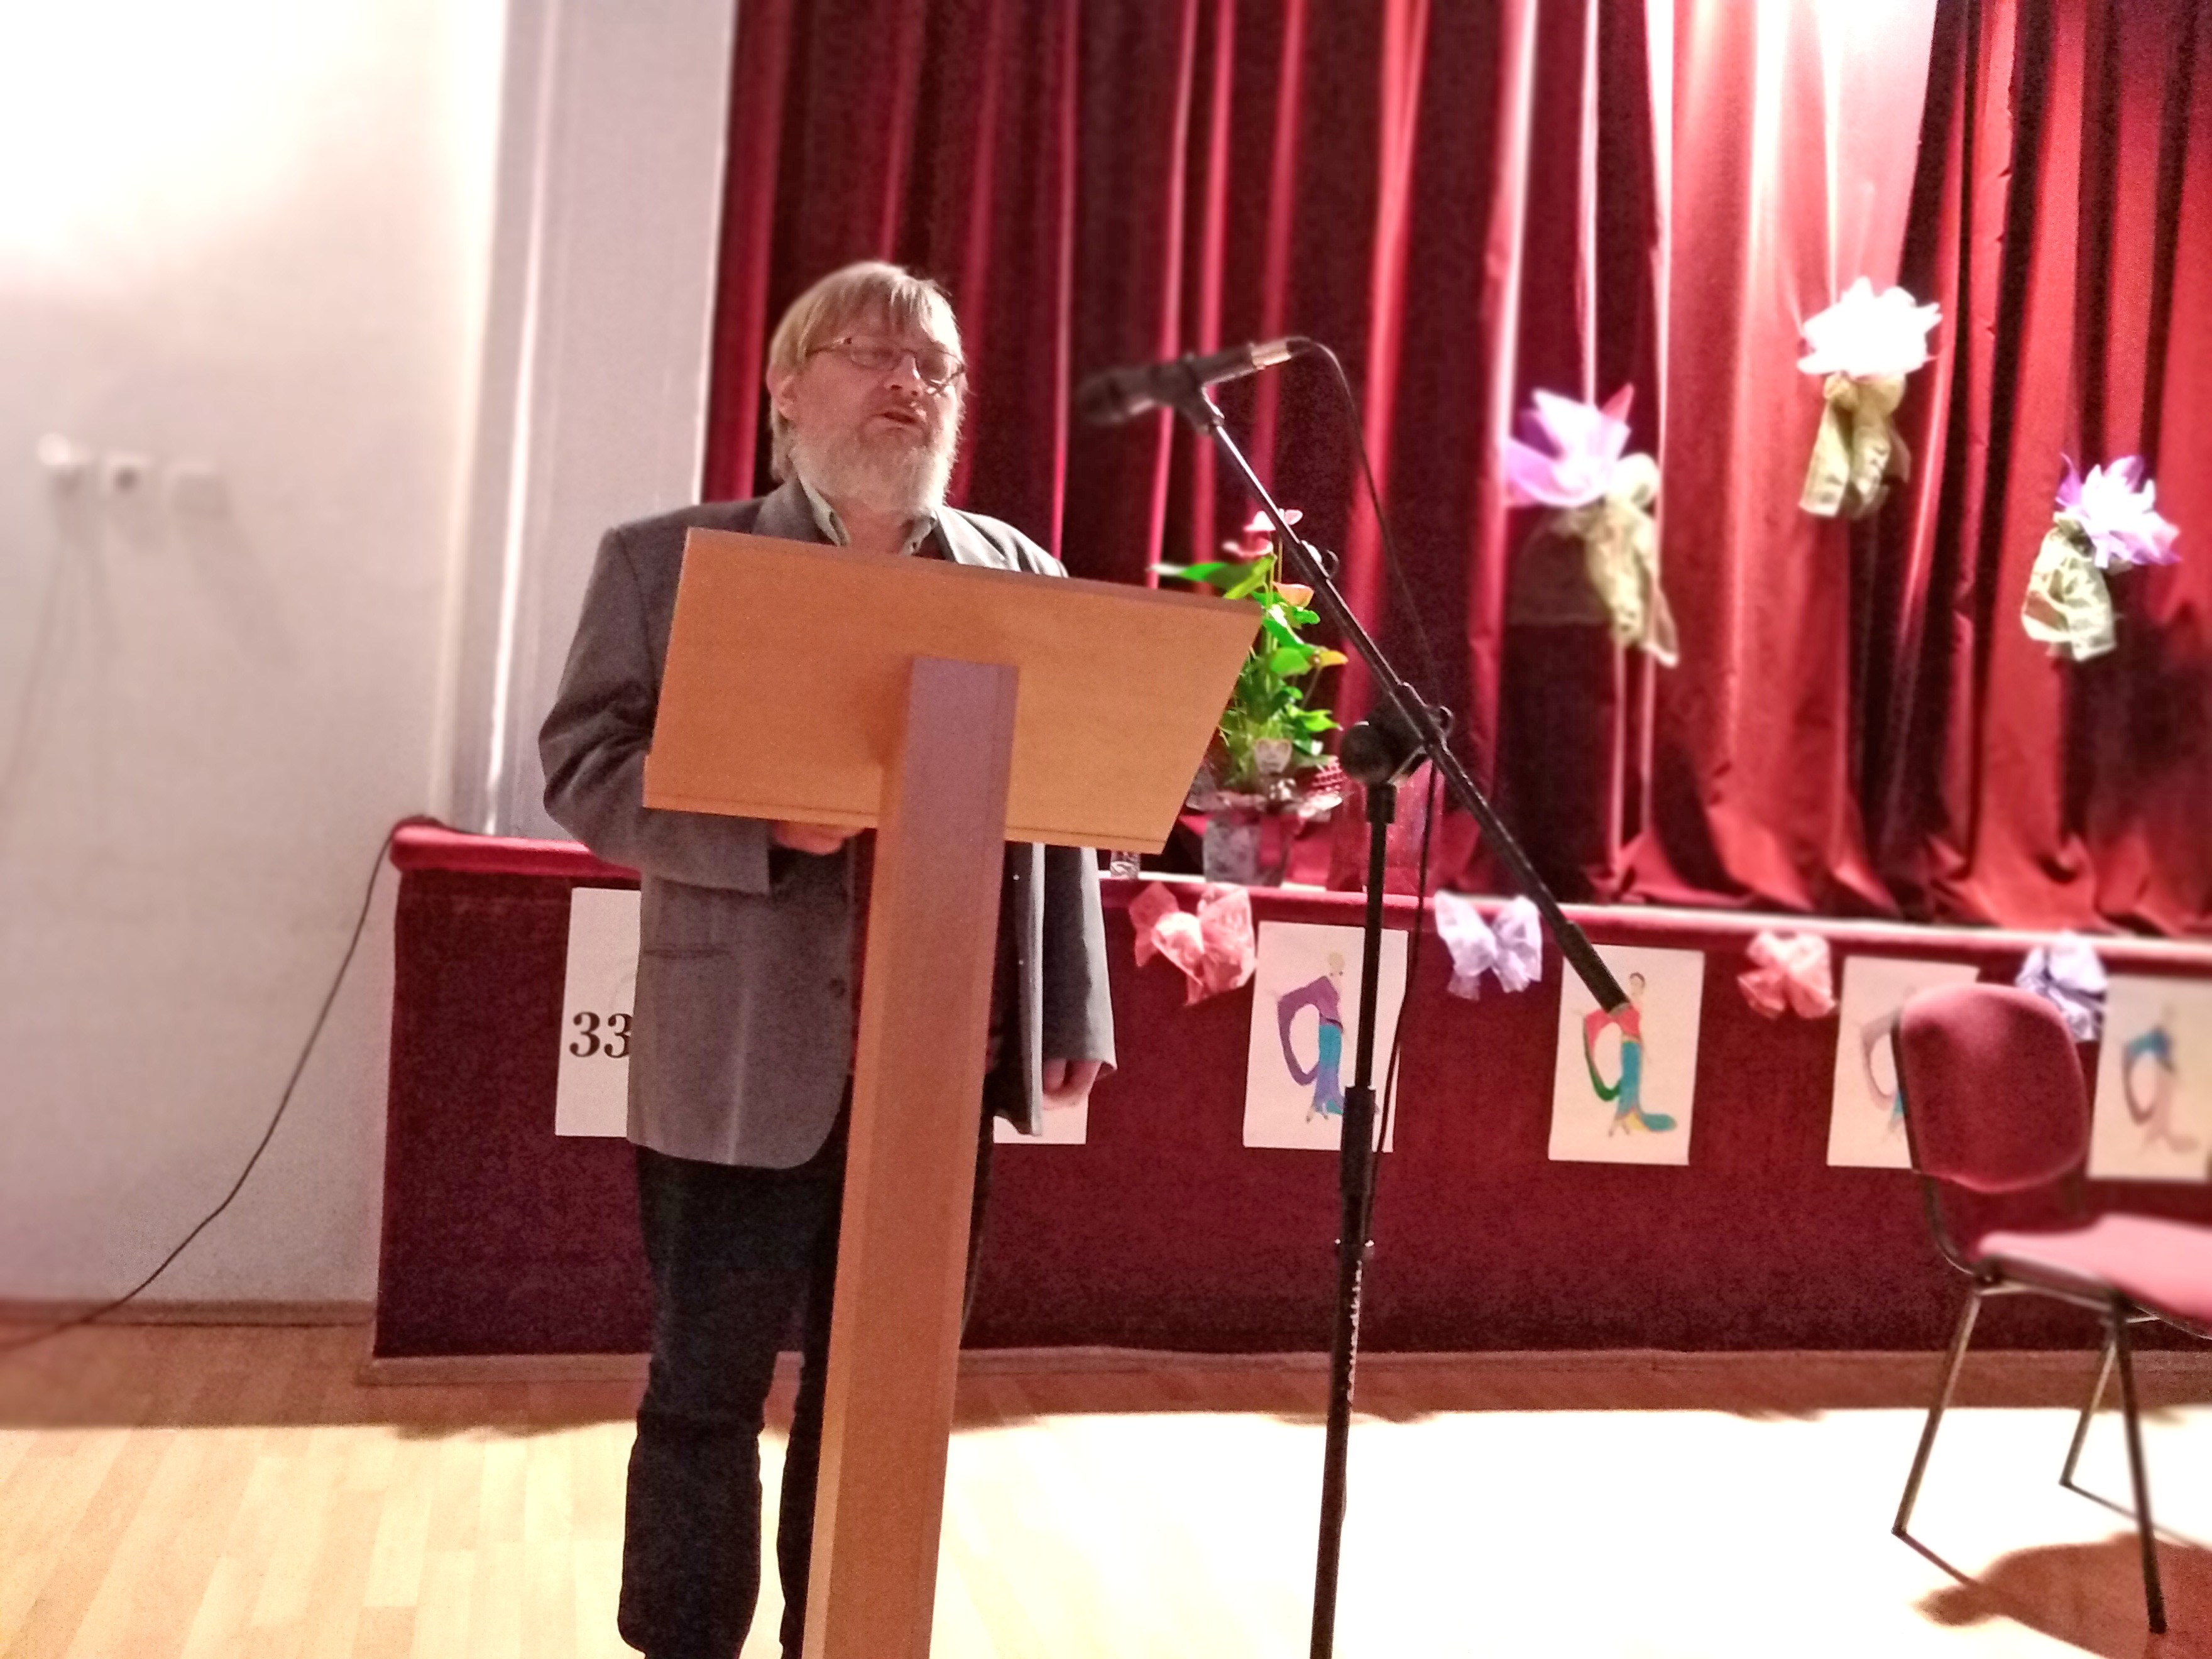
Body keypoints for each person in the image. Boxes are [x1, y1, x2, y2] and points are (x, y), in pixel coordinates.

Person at [539, 261, 1115, 1659]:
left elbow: (1059, 810)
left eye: (935, 366)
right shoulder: (670, 563)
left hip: (937, 1060)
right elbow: (584, 766)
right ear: (787, 388)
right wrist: (760, 825)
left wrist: (1073, 1004)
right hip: (737, 1052)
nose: (908, 383)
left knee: (879, 1400)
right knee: (704, 1392)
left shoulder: (1016, 573)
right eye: (872, 352)